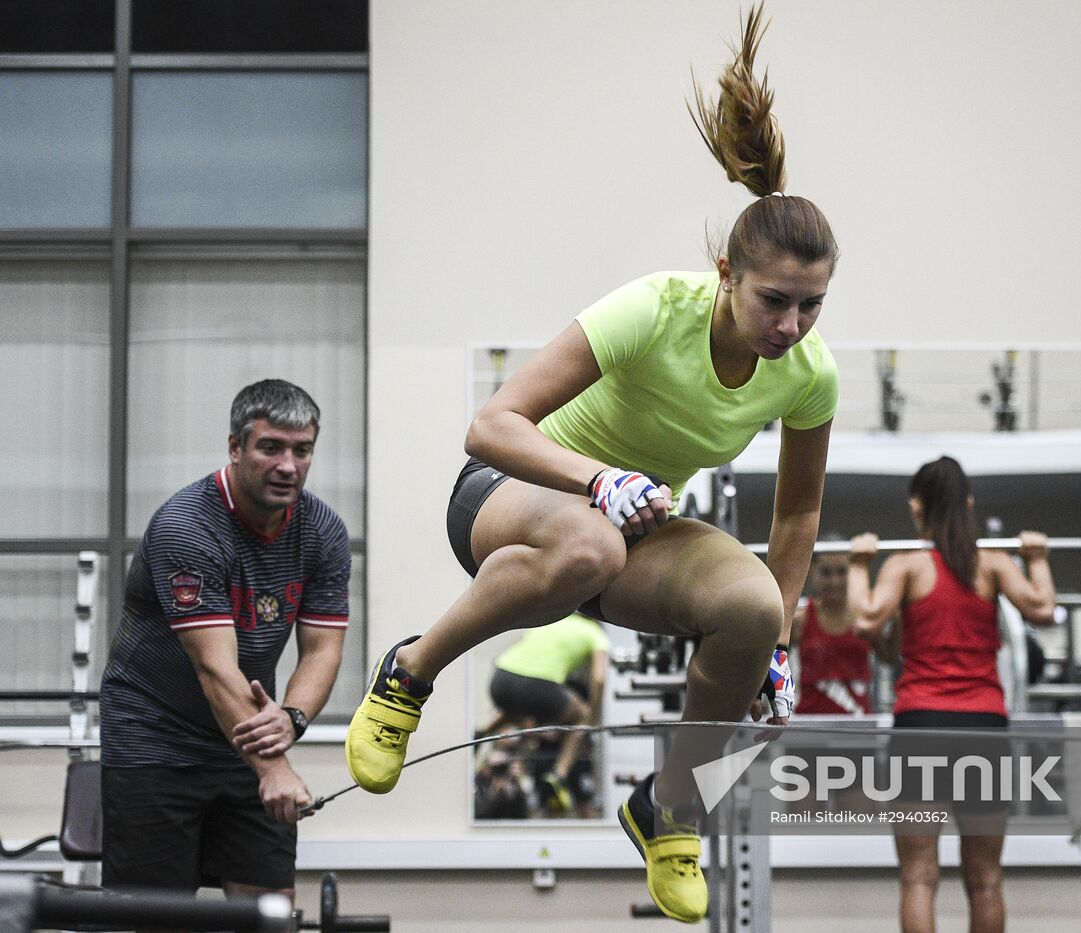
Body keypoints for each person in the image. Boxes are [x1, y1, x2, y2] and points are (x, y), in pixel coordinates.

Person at [344, 5, 839, 922]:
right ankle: (410, 670)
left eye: (811, 306)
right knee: (590, 543)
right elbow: (491, 425)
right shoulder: (652, 310)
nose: (791, 325)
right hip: (512, 496)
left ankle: (671, 808)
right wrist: (598, 479)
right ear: (725, 272)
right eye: (775, 300)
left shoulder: (809, 373)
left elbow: (799, 517)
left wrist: (773, 645)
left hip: (633, 529)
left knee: (752, 606)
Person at [100, 379, 351, 904]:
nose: (288, 466)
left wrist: (292, 719)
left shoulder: (322, 530)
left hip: (246, 736)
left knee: (268, 910)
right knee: (156, 917)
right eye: (270, 448)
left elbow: (322, 649)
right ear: (235, 447)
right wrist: (274, 767)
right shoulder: (188, 527)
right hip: (155, 740)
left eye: (302, 451)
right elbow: (214, 668)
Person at [847, 456, 1056, 933]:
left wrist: (859, 564)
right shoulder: (993, 563)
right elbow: (1044, 608)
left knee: (918, 876)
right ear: (969, 504)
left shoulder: (906, 566)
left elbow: (864, 618)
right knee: (985, 879)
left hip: (922, 726)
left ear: (916, 507)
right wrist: (1037, 558)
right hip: (983, 727)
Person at [484, 613, 611, 815]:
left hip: (500, 681)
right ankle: (559, 774)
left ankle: (482, 732)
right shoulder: (596, 633)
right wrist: (593, 716)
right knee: (582, 715)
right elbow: (599, 678)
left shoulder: (551, 620)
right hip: (538, 684)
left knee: (519, 706)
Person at [792, 542, 899, 716]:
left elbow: (889, 657)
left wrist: (899, 617)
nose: (834, 581)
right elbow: (772, 659)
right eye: (826, 573)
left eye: (841, 572)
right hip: (810, 722)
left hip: (857, 721)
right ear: (812, 572)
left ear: (851, 573)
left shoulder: (864, 615)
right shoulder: (801, 620)